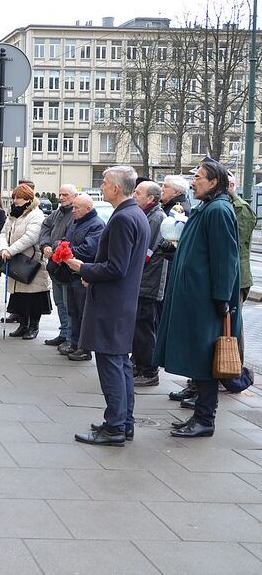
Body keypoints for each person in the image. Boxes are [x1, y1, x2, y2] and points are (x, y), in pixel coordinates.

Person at [153, 159, 242, 438]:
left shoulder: (218, 210)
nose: (193, 183)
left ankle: (205, 420)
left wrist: (221, 298)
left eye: (199, 177)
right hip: (197, 297)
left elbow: (225, 258)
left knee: (205, 358)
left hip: (207, 300)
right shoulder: (207, 207)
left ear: (214, 182)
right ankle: (200, 417)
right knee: (200, 357)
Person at [67, 166, 149, 446]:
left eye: (104, 183)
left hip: (111, 303)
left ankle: (114, 427)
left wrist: (84, 268)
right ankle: (123, 422)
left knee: (111, 364)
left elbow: (116, 267)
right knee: (120, 363)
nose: (100, 187)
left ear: (116, 188)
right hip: (120, 301)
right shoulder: (134, 213)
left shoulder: (124, 217)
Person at [129, 181, 169, 385]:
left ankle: (149, 371)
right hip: (142, 281)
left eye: (138, 193)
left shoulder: (157, 217)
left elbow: (147, 251)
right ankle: (138, 365)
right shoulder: (147, 214)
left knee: (145, 329)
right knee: (138, 328)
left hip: (148, 282)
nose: (134, 195)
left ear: (151, 198)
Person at [0, 184, 50, 339]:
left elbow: (31, 237)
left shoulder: (36, 214)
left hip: (31, 261)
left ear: (28, 199)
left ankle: (33, 326)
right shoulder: (13, 214)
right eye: (14, 197)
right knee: (19, 296)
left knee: (33, 296)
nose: (15, 201)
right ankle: (23, 324)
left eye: (18, 198)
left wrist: (10, 250)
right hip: (16, 260)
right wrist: (3, 249)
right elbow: (3, 233)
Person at [58, 194, 104, 360]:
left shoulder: (96, 225)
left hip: (83, 274)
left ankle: (85, 348)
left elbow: (89, 249)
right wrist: (61, 248)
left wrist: (67, 253)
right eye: (73, 207)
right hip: (72, 273)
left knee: (84, 313)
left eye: (77, 208)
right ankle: (74, 343)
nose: (73, 210)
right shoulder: (76, 222)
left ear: (88, 209)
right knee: (73, 311)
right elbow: (66, 241)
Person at [39, 185, 78, 348]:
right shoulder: (56, 213)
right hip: (55, 265)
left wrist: (54, 247)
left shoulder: (76, 214)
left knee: (68, 304)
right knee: (59, 302)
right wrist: (45, 244)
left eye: (65, 195)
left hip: (67, 267)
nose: (61, 198)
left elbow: (71, 239)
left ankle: (70, 337)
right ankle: (63, 333)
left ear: (75, 196)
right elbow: (45, 227)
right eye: (60, 194)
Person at [228, 172, 254, 303]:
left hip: (237, 276)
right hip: (230, 274)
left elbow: (235, 242)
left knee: (232, 314)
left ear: (230, 185)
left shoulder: (240, 208)